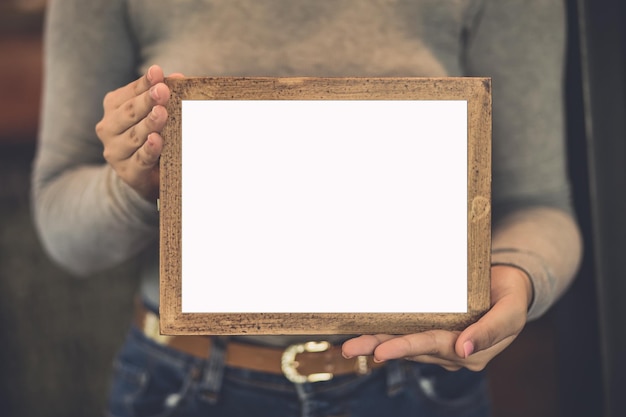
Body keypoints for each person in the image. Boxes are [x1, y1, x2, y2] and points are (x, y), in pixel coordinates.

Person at [32, 0, 582, 416]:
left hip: (415, 383)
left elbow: (538, 204)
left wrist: (517, 277)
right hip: (183, 383)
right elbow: (61, 224)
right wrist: (132, 184)